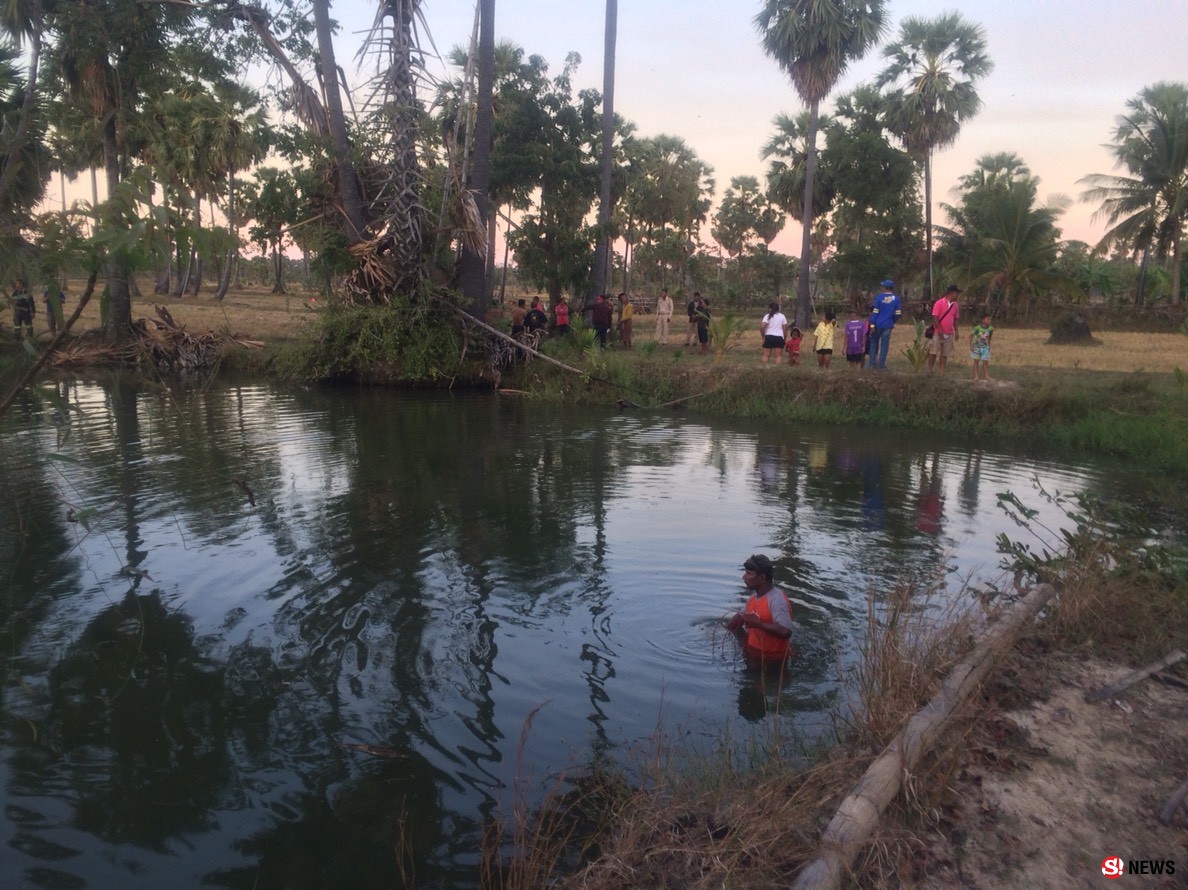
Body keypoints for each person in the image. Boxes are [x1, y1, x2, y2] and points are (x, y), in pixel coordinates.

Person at [725, 554, 793, 667]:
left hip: (772, 663)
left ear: (762, 577)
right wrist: (721, 632)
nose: (744, 577)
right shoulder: (753, 598)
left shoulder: (777, 600)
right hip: (751, 657)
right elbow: (737, 621)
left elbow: (786, 631)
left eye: (749, 574)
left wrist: (759, 624)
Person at [927, 284, 961, 374]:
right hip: (937, 332)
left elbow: (955, 320)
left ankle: (942, 371)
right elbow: (935, 317)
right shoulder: (939, 303)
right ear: (952, 293)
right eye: (956, 293)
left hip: (949, 333)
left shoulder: (955, 305)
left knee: (944, 354)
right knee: (933, 351)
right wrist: (939, 329)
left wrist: (956, 331)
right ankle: (930, 369)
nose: (957, 295)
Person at [868, 279, 901, 370]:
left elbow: (875, 312)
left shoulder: (879, 297)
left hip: (877, 324)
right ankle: (881, 365)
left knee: (874, 343)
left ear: (886, 287)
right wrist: (891, 321)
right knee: (884, 346)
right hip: (888, 325)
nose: (882, 288)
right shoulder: (896, 299)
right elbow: (898, 314)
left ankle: (871, 364)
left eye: (883, 286)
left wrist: (872, 325)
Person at [759, 301, 788, 365]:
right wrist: (784, 338)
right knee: (778, 356)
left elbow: (762, 326)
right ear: (778, 309)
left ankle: (763, 368)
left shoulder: (767, 316)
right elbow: (785, 329)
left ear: (770, 308)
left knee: (766, 355)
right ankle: (777, 370)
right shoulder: (782, 316)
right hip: (779, 337)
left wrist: (763, 336)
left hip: (769, 337)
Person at [969, 312, 994, 381]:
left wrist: (989, 346)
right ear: (983, 320)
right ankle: (976, 375)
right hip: (977, 347)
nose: (989, 321)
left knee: (985, 361)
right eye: (988, 319)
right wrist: (971, 345)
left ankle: (986, 375)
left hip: (985, 347)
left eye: (990, 320)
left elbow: (990, 337)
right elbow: (971, 336)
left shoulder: (991, 329)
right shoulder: (977, 328)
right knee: (976, 361)